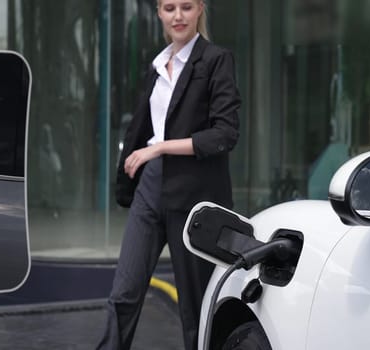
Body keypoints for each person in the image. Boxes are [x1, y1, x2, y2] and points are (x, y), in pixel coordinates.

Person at [97, 0, 240, 349]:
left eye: (186, 7)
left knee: (194, 308)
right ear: (159, 12)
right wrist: (141, 157)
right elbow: (147, 124)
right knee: (124, 293)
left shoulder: (216, 60)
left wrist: (159, 147)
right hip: (150, 188)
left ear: (200, 10)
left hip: (193, 193)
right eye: (169, 7)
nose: (178, 16)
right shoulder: (158, 65)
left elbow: (225, 134)